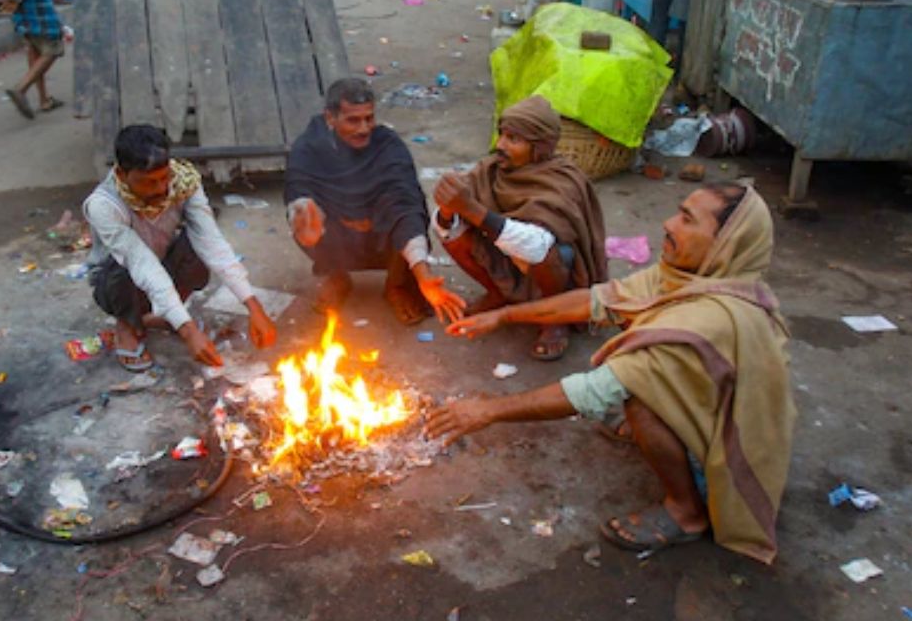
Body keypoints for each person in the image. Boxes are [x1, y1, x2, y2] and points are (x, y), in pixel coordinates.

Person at [431, 183, 796, 564]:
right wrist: (504, 315)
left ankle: (688, 512)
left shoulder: (710, 319)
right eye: (678, 211)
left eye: (688, 220)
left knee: (639, 398)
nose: (669, 224)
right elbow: (598, 300)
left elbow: (593, 392)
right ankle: (674, 441)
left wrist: (487, 411)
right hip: (713, 419)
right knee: (635, 366)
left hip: (729, 472)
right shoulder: (693, 279)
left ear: (725, 243)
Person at [84, 125, 277, 372]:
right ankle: (127, 325)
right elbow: (141, 264)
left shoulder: (184, 182)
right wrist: (189, 332)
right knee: (123, 271)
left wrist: (253, 307)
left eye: (164, 177)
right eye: (148, 182)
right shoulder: (103, 205)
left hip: (163, 258)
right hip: (117, 276)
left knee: (195, 249)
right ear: (122, 175)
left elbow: (212, 242)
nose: (160, 189)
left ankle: (169, 315)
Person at [432, 96, 608, 361]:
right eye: (502, 134)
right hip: (508, 258)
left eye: (513, 139)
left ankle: (553, 320)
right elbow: (445, 229)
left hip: (555, 273)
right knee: (456, 236)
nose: (500, 145)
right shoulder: (490, 170)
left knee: (551, 254)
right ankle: (498, 293)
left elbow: (538, 246)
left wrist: (472, 209)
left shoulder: (562, 182)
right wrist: (448, 209)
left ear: (540, 148)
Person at [285, 78, 466, 327]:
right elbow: (297, 190)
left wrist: (423, 276)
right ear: (330, 118)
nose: (363, 129)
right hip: (336, 236)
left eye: (369, 118)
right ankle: (336, 277)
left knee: (411, 213)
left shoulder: (388, 145)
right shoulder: (307, 148)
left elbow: (407, 207)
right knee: (304, 216)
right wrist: (306, 222)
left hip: (385, 236)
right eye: (353, 120)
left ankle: (397, 286)